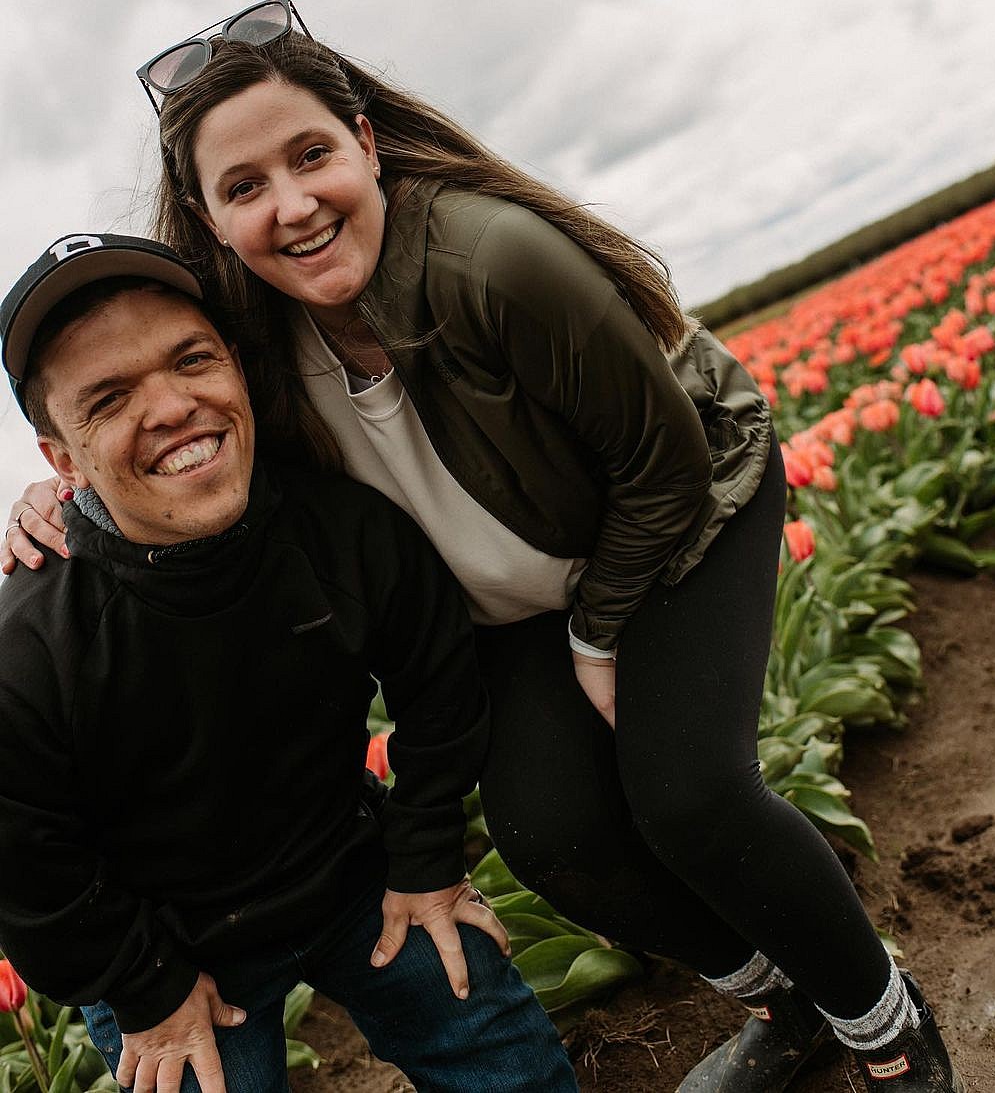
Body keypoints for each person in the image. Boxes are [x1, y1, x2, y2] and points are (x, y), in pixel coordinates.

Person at [5, 0, 963, 1091]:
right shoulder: (249, 345)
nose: (293, 205)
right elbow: (165, 436)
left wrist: (603, 632)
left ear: (366, 142)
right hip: (507, 588)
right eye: (244, 187)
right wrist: (65, 501)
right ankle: (781, 997)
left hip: (670, 520)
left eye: (311, 154)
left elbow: (665, 462)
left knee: (687, 794)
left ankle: (883, 1024)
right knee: (546, 831)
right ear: (212, 220)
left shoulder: (492, 256)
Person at [0, 232, 578, 1093]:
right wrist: (143, 989)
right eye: (111, 398)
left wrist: (424, 860)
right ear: (62, 458)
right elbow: (25, 869)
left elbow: (438, 688)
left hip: (346, 868)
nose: (170, 407)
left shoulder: (342, 530)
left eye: (191, 359)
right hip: (161, 943)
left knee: (503, 1055)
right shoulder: (30, 649)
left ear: (236, 367)